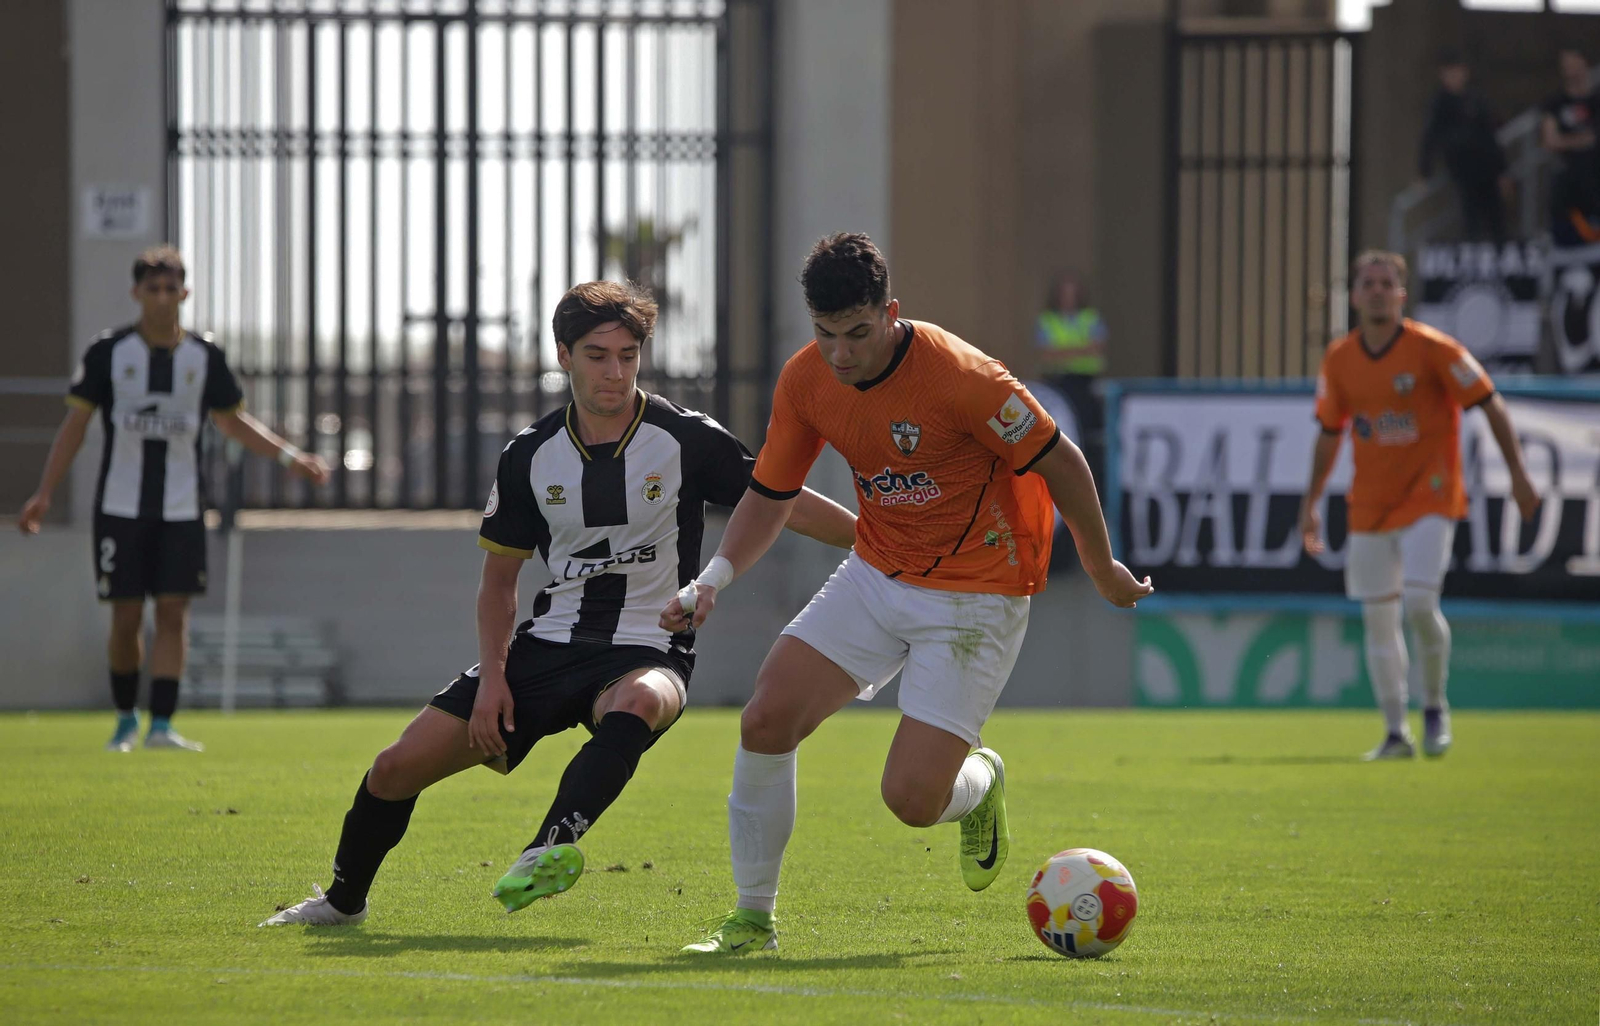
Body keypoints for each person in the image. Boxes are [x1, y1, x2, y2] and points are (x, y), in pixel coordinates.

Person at [261, 281, 855, 927]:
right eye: (598, 355)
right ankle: (342, 902)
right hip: (546, 646)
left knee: (641, 701)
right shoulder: (529, 456)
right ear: (564, 354)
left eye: (628, 355)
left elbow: (781, 500)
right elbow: (497, 585)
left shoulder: (685, 438)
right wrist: (492, 681)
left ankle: (547, 849)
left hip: (649, 645)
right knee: (394, 767)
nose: (615, 371)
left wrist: (874, 536)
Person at [663, 233, 1152, 954]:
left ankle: (979, 781)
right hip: (877, 570)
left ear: (890, 313)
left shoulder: (963, 376)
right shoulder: (806, 381)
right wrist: (714, 579)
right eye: (826, 335)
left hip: (977, 595)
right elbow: (772, 494)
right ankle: (751, 919)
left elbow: (1064, 463)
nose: (841, 353)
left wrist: (1103, 564)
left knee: (911, 802)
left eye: (858, 333)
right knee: (765, 719)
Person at [17, 245, 330, 752]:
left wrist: (292, 458)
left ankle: (162, 726)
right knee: (124, 615)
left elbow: (232, 421)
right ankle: (125, 719)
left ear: (184, 293)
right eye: (152, 288)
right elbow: (76, 424)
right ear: (137, 293)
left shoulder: (204, 357)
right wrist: (44, 493)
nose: (162, 298)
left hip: (182, 509)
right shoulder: (108, 352)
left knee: (173, 614)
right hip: (120, 507)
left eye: (171, 288)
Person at [1298, 251, 1539, 762]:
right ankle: (1394, 732)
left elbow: (1489, 401)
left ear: (1402, 295)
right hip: (1369, 506)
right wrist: (1312, 501)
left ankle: (1434, 705)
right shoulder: (1339, 359)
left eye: (1387, 283)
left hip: (1431, 496)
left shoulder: (1432, 349)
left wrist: (1518, 474)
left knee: (1420, 606)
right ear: (1356, 295)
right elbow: (1328, 431)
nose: (1378, 290)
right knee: (1378, 621)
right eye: (1369, 283)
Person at [1418, 49, 1510, 244]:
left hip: (1487, 167)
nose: (1454, 77)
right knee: (1471, 219)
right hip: (1463, 169)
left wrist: (1502, 170)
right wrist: (1424, 172)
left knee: (1497, 218)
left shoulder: (1476, 99)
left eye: (1457, 71)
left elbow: (1491, 136)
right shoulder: (1439, 103)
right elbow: (1429, 138)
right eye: (1449, 73)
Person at [1033, 272, 1108, 491]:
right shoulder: (1048, 321)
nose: (1068, 299)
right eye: (1065, 294)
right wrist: (1080, 350)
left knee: (1086, 437)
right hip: (1058, 386)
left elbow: (1097, 347)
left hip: (1083, 386)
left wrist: (1062, 353)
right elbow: (1045, 355)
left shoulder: (1090, 319)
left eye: (1072, 294)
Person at [1541, 49, 1600, 246]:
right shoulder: (1555, 102)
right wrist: (1584, 140)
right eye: (1567, 66)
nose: (1572, 70)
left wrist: (1567, 140)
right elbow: (1550, 141)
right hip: (1568, 187)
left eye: (1575, 64)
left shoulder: (1596, 99)